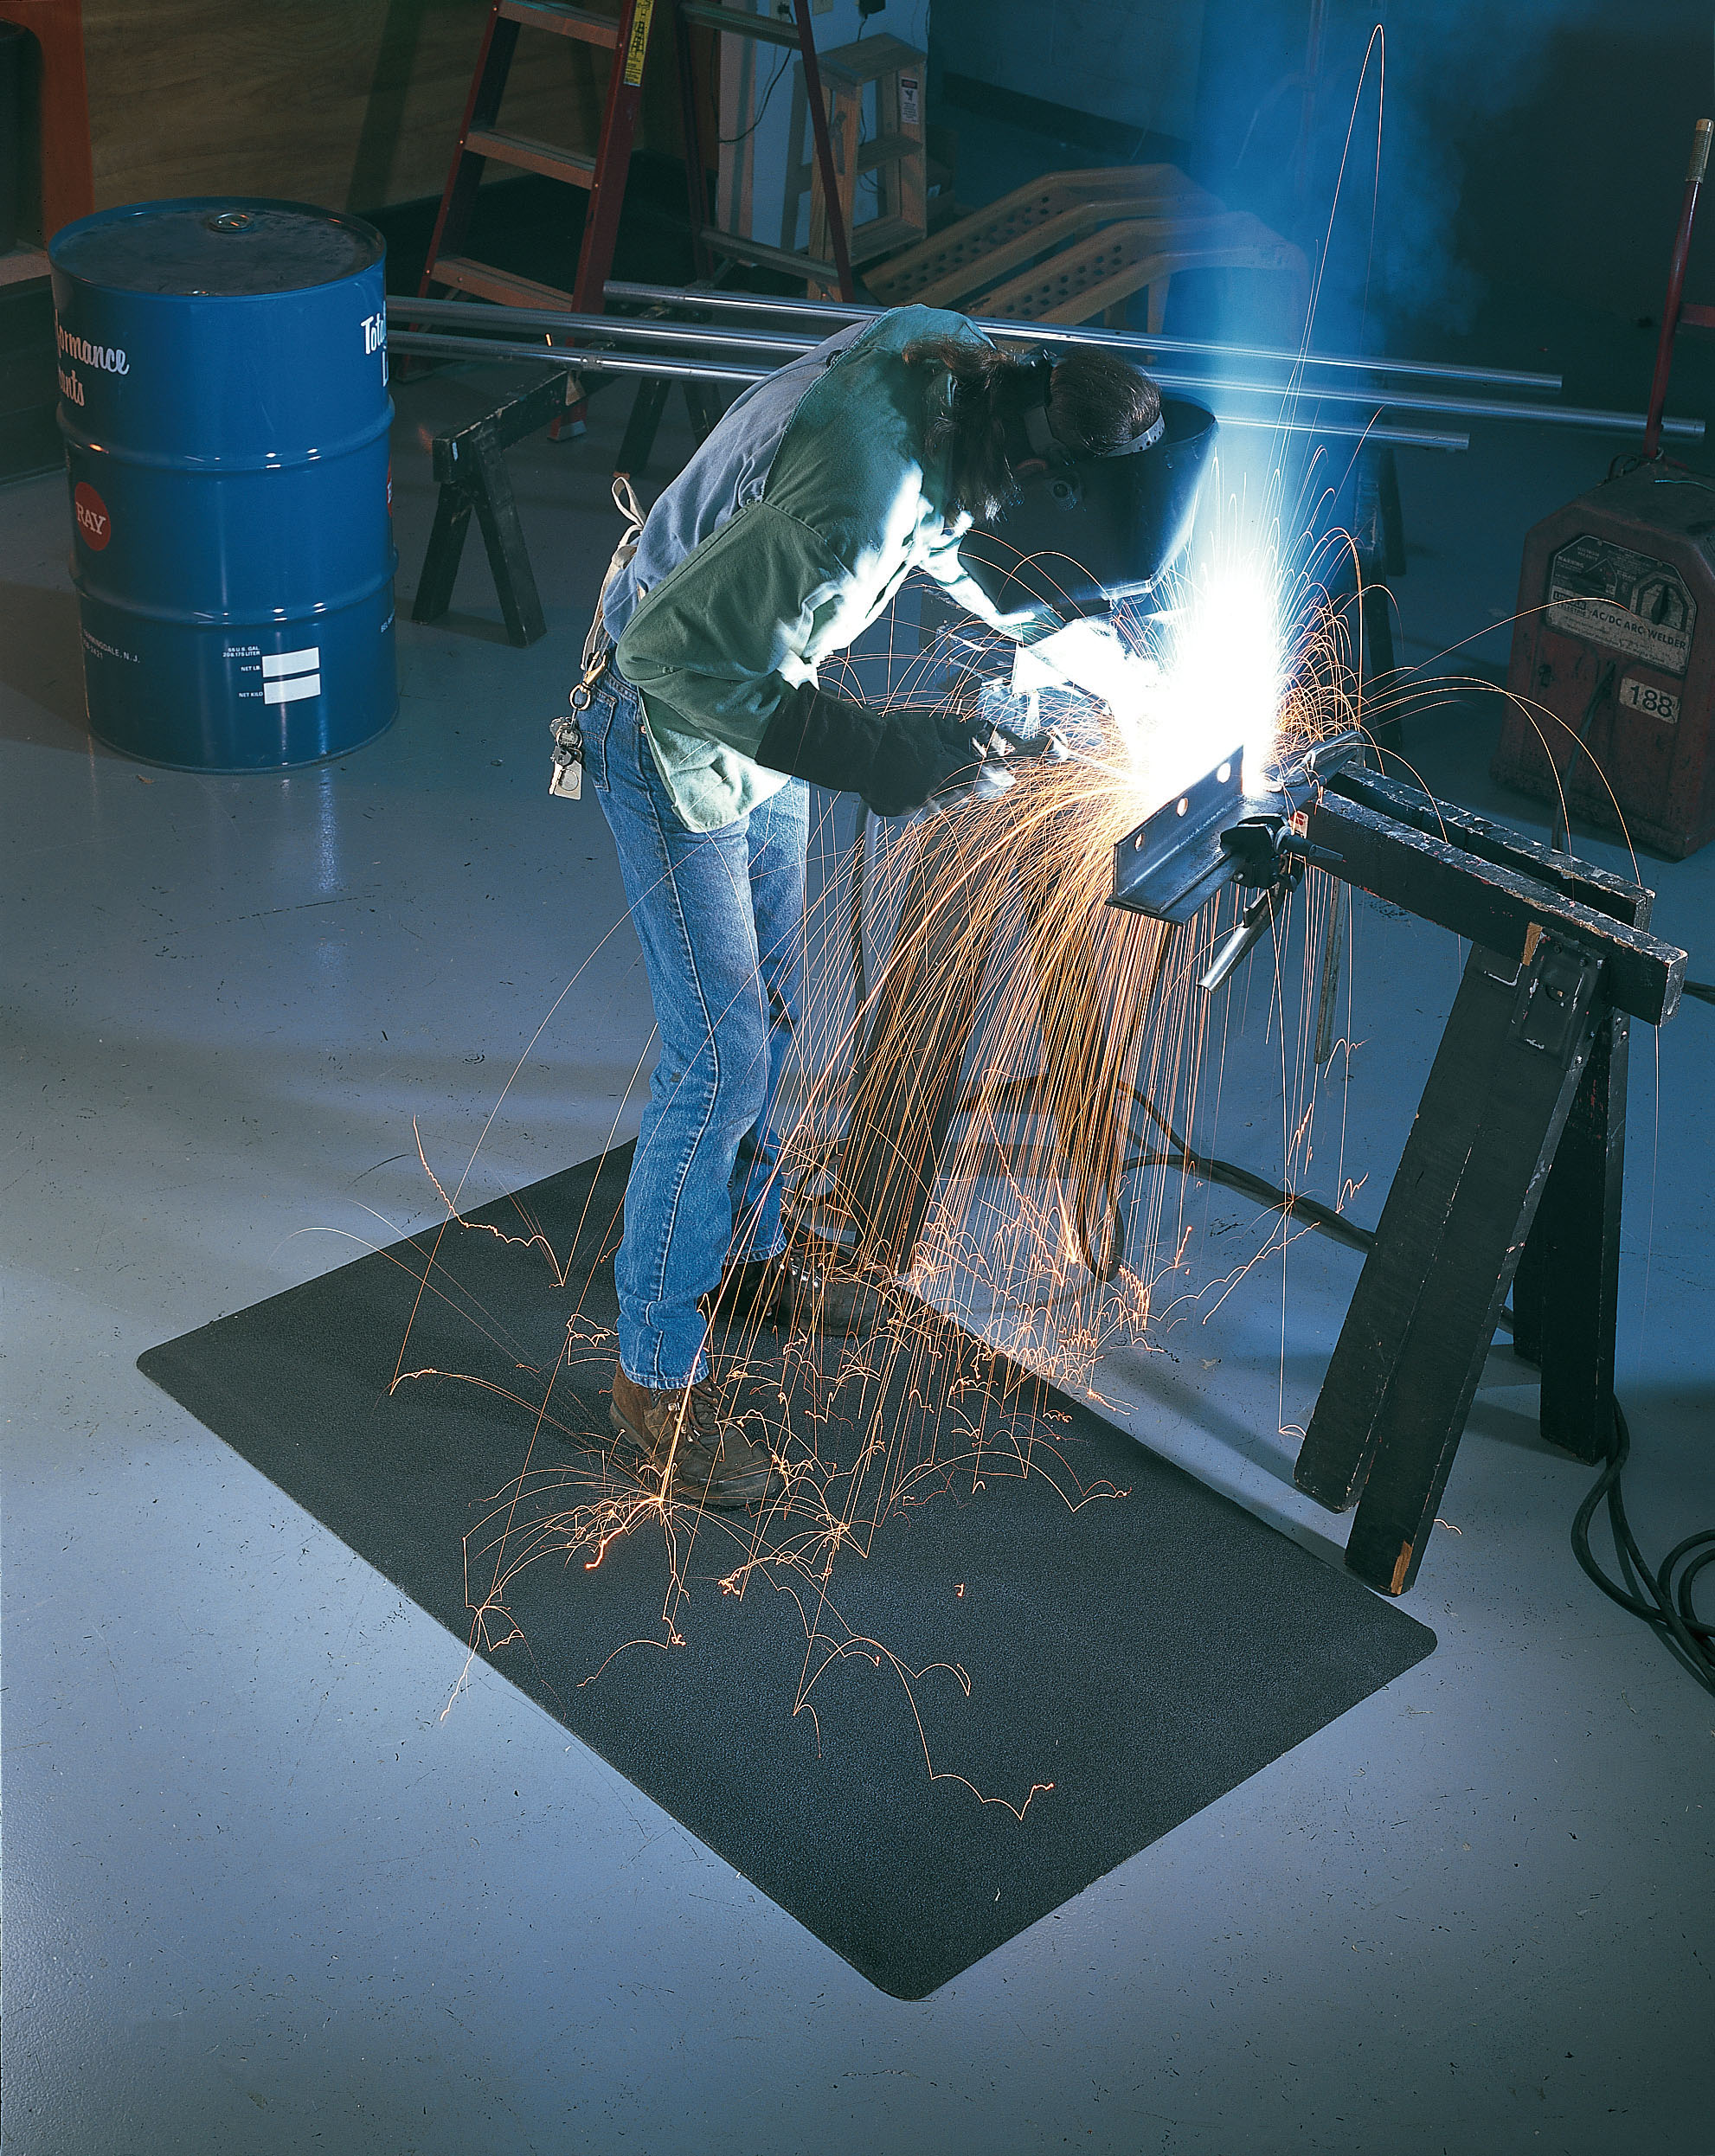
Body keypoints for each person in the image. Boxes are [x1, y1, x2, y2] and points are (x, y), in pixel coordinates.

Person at [571, 302, 1163, 1510]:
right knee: (722, 1058)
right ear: (1035, 469)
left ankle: (746, 1262)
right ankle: (651, 1379)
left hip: (759, 680)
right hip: (672, 720)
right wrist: (882, 751)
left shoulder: (957, 364)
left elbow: (942, 535)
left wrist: (1094, 654)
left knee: (778, 1006)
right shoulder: (853, 505)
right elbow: (669, 657)